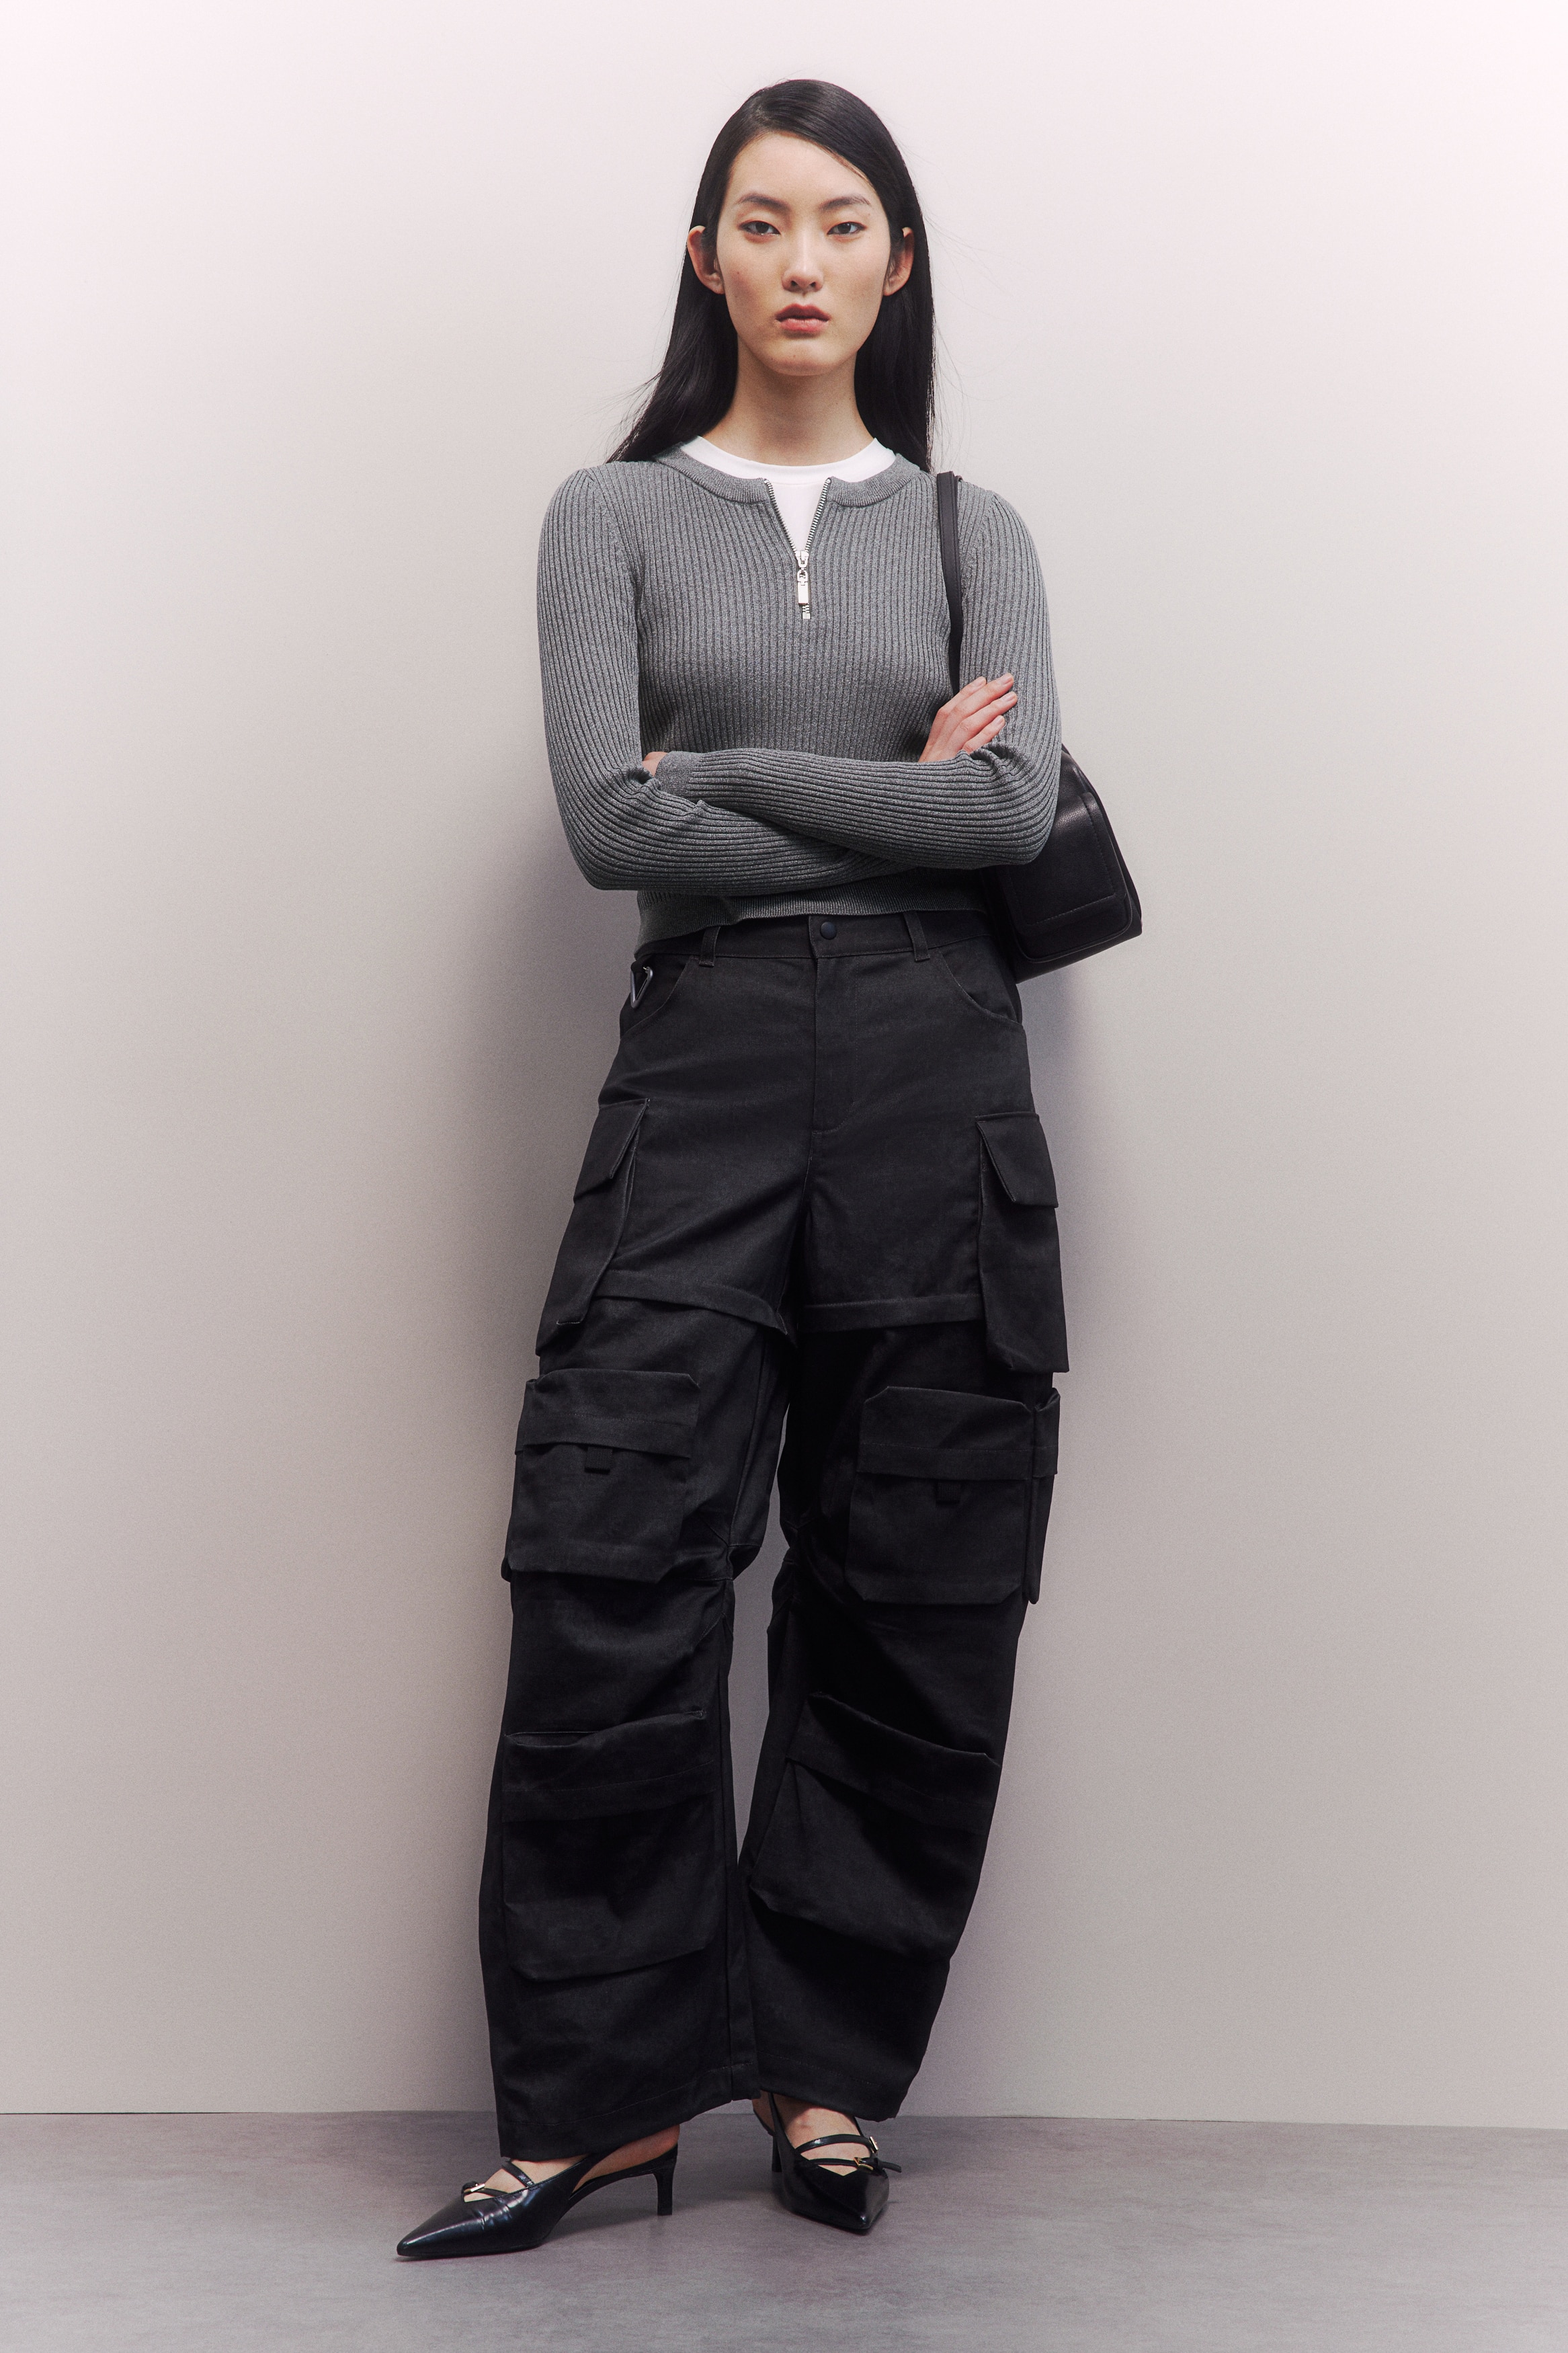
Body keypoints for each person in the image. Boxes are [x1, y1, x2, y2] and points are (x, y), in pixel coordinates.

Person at [398, 76, 1066, 2259]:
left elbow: (1007, 815)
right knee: (610, 1561)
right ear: (707, 259)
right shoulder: (606, 516)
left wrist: (727, 770)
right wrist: (877, 786)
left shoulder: (970, 526)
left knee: (913, 1583)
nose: (802, 260)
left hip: (935, 1074)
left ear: (897, 262)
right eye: (763, 222)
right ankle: (594, 2107)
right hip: (700, 1069)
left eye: (844, 221)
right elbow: (612, 823)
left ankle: (822, 2076)